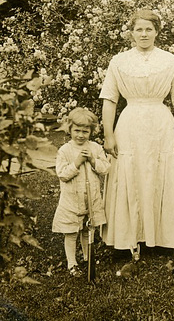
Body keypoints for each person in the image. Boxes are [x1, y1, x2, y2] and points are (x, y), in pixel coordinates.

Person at [100, 8, 174, 258]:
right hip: (129, 124)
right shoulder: (118, 61)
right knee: (129, 173)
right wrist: (108, 135)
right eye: (139, 29)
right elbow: (109, 99)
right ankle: (126, 238)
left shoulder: (171, 61)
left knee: (161, 172)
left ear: (156, 32)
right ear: (131, 33)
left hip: (161, 124)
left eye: (149, 29)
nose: (144, 34)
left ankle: (167, 239)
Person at [52, 107, 110, 276]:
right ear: (69, 129)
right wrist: (76, 163)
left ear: (91, 131)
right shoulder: (65, 150)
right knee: (71, 233)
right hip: (71, 200)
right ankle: (72, 263)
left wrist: (92, 160)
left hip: (91, 198)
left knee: (87, 230)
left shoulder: (95, 148)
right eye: (77, 130)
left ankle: (87, 258)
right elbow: (62, 174)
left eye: (85, 131)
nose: (80, 135)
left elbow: (105, 168)